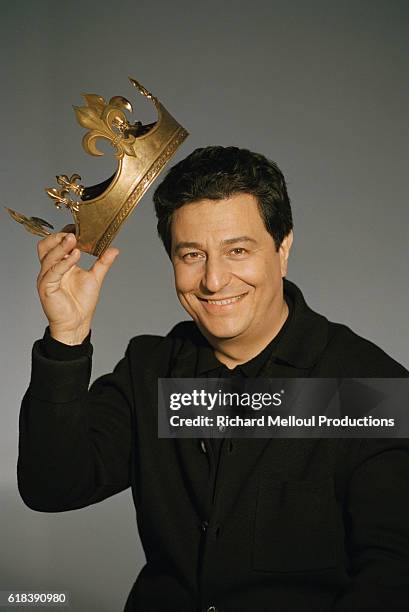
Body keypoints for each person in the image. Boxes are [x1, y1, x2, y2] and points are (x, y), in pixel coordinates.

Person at [18, 146, 409, 612]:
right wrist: (67, 338)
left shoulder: (367, 386)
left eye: (237, 250)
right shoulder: (151, 370)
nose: (213, 280)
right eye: (192, 255)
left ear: (282, 250)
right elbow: (52, 486)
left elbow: (394, 574)